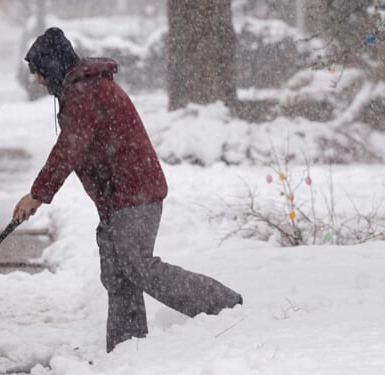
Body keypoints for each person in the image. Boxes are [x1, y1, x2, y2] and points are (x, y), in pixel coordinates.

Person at [13, 27, 242, 353]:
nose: (37, 80)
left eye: (39, 72)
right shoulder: (82, 89)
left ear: (52, 65)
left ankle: (224, 306)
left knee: (137, 266)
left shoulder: (86, 93)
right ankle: (126, 352)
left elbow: (69, 149)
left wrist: (37, 194)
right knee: (118, 276)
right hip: (118, 197)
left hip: (135, 193)